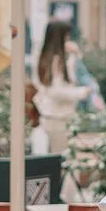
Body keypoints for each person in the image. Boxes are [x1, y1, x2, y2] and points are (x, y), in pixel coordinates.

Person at [33, 19, 91, 153]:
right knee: (63, 162)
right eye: (66, 36)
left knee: (59, 161)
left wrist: (75, 54)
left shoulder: (46, 57)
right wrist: (81, 92)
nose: (68, 39)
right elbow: (56, 91)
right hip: (57, 118)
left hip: (54, 116)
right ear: (60, 37)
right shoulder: (56, 61)